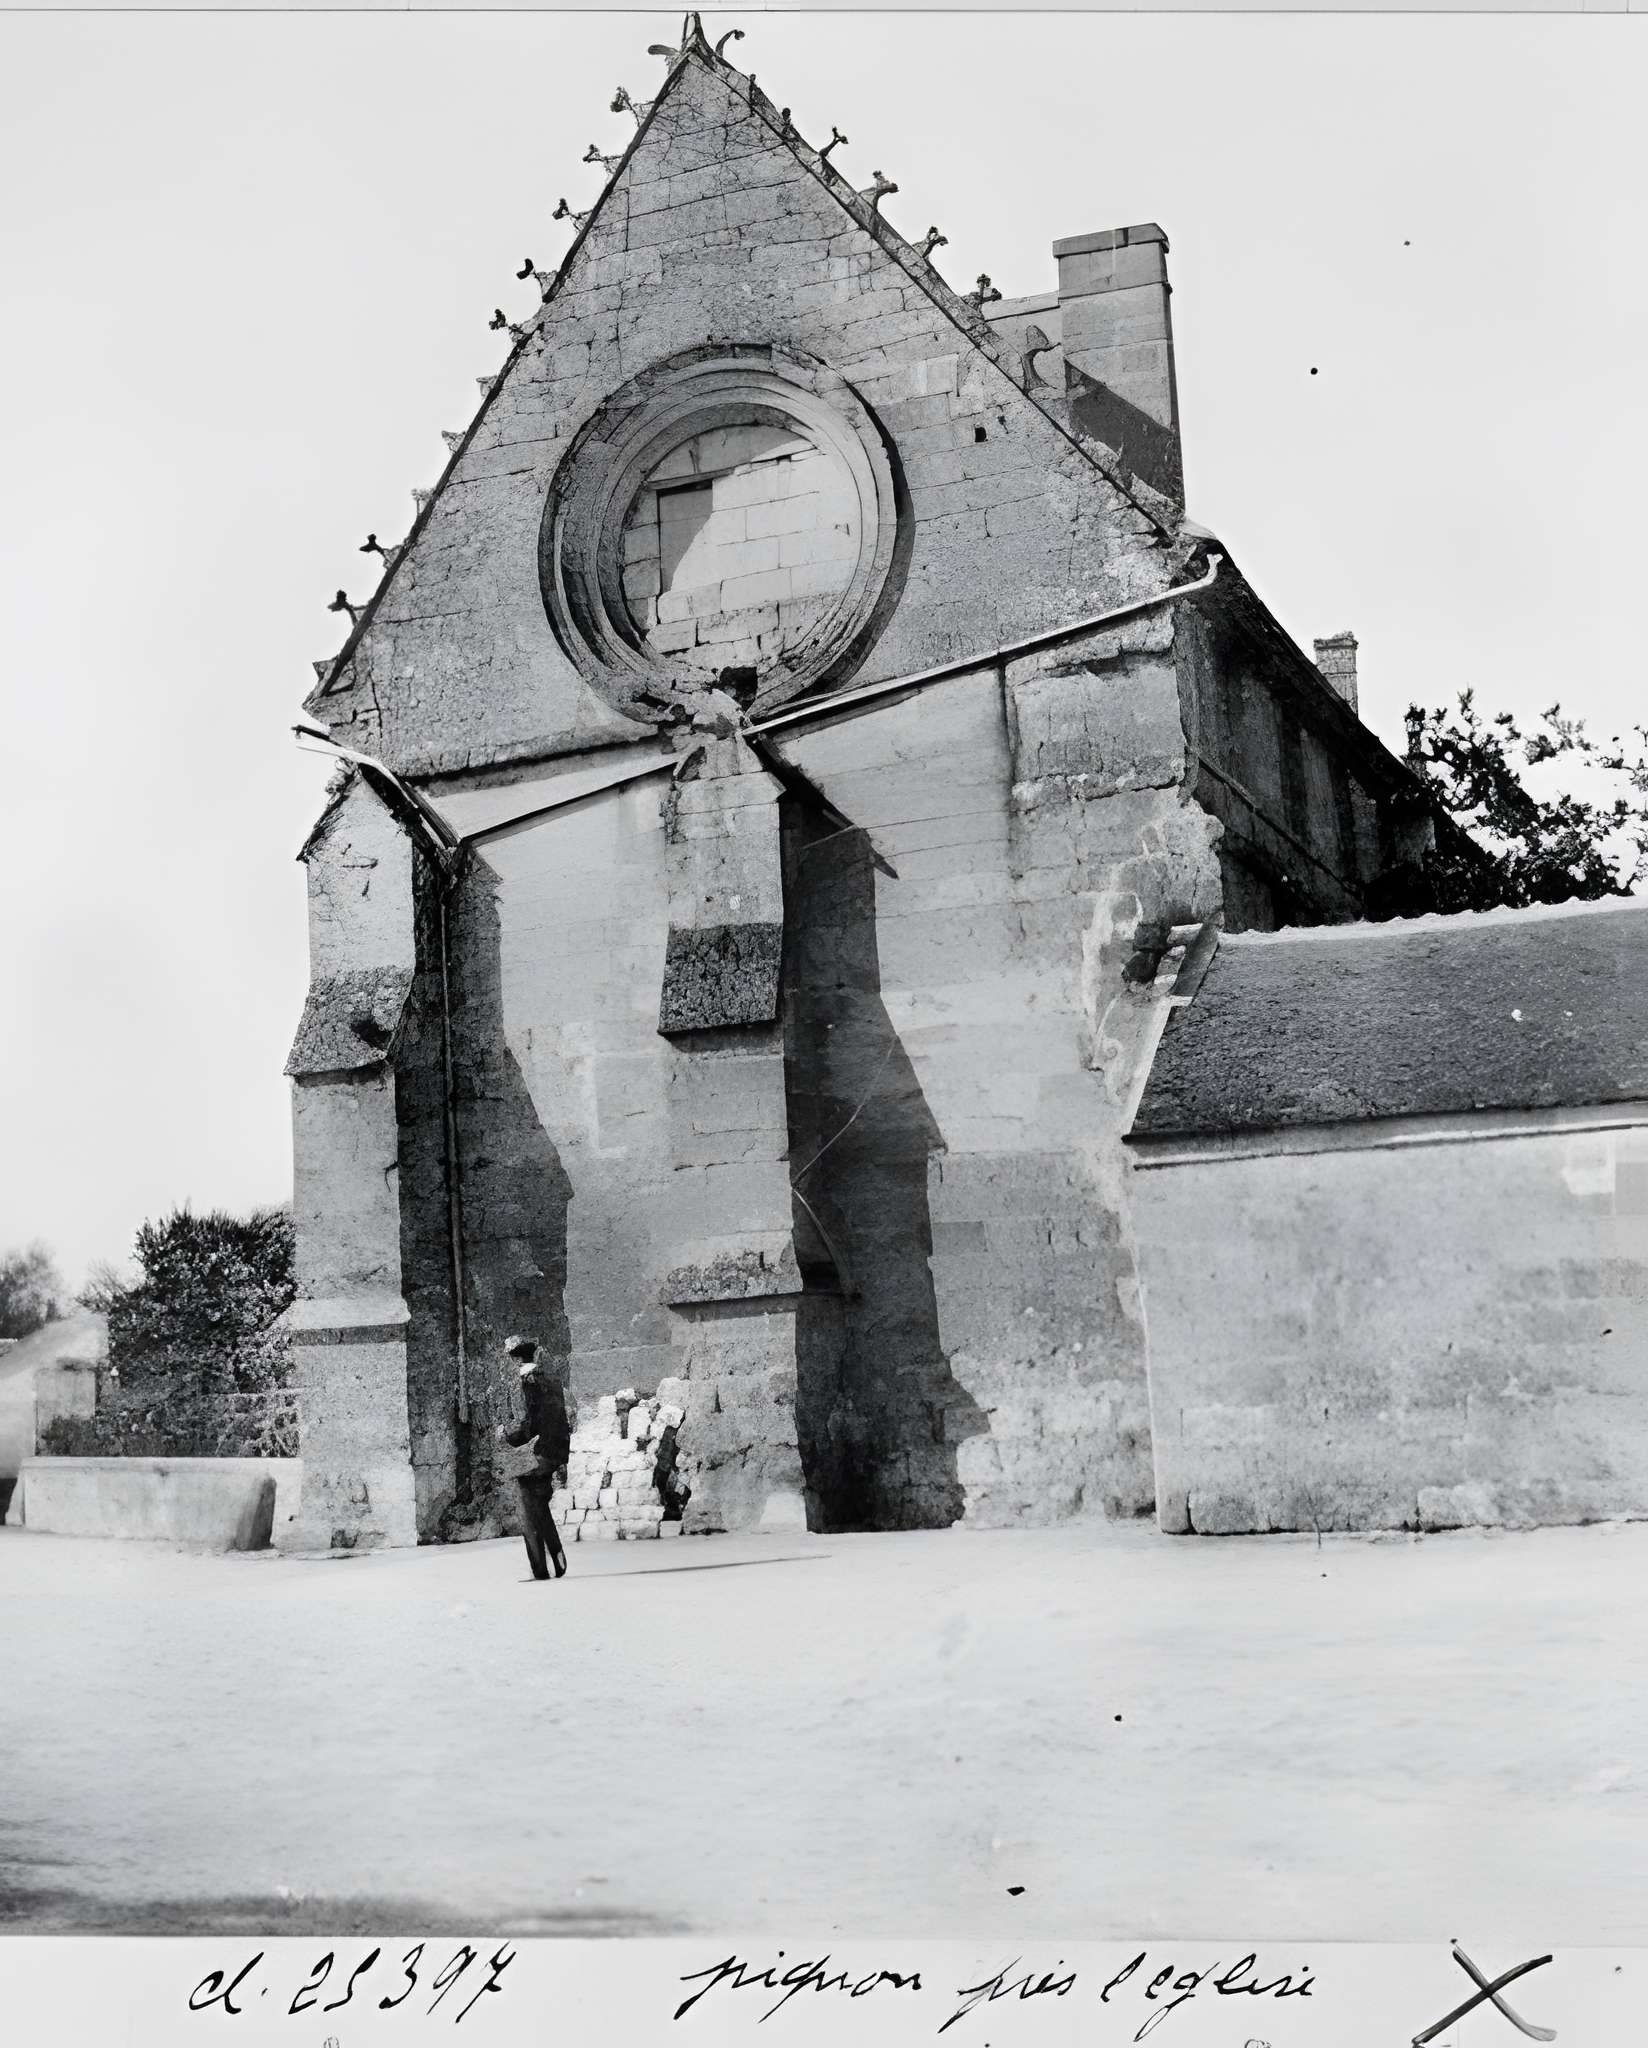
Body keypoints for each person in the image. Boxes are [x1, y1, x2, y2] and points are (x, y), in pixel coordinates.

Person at [495, 1335, 569, 1581]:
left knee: (527, 1511)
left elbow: (527, 1423)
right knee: (540, 1505)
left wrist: (507, 1435)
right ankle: (558, 1556)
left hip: (536, 1454)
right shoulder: (553, 1379)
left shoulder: (525, 1382)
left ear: (516, 1359)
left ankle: (539, 1569)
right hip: (554, 1452)